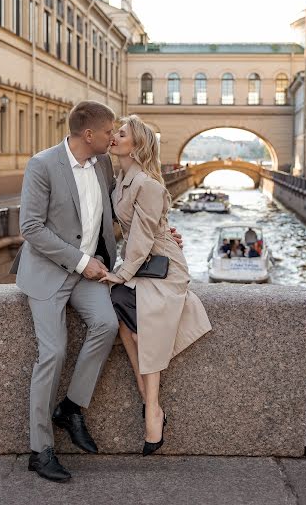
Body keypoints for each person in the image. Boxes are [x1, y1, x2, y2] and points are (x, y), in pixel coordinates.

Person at [9, 101, 183, 483]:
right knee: (52, 351)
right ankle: (40, 451)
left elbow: (132, 210)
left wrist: (160, 237)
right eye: (110, 132)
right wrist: (80, 261)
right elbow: (32, 228)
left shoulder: (104, 164)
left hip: (90, 272)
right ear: (90, 135)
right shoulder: (42, 165)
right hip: (48, 273)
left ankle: (71, 407)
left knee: (107, 324)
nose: (114, 137)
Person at [101, 115, 212, 457]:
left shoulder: (147, 184)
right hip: (142, 263)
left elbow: (145, 235)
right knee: (123, 323)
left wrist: (121, 274)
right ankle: (153, 406)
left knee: (140, 329)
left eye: (122, 134)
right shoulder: (120, 179)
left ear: (138, 145)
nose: (114, 137)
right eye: (115, 132)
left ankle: (152, 412)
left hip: (163, 266)